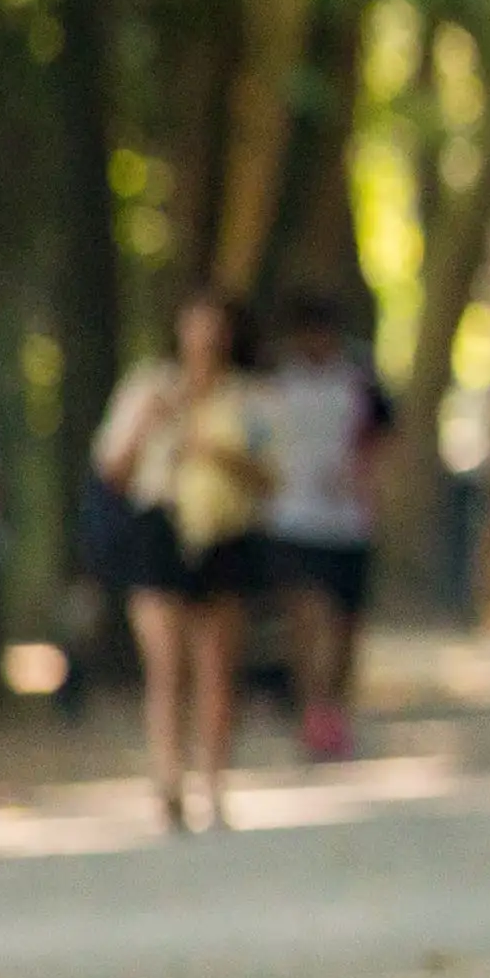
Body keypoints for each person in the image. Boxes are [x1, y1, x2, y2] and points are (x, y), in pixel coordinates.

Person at [90, 293, 267, 835]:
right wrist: (149, 424)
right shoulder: (148, 386)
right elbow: (111, 471)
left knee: (218, 668)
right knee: (165, 667)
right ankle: (168, 781)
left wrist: (216, 453)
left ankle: (213, 783)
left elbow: (271, 479)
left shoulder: (249, 398)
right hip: (158, 529)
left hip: (223, 533)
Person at [252, 295, 389, 763]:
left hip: (349, 523)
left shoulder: (358, 379)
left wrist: (366, 481)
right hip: (292, 520)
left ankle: (336, 711)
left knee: (345, 627)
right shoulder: (275, 382)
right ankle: (313, 714)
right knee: (304, 620)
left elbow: (387, 438)